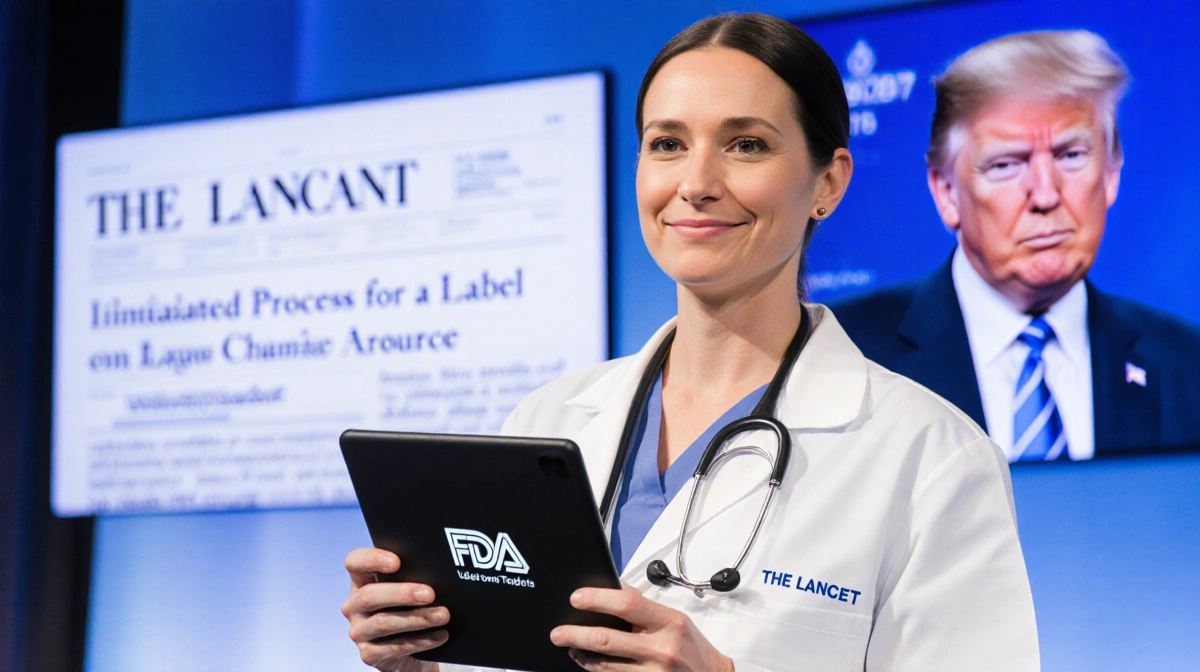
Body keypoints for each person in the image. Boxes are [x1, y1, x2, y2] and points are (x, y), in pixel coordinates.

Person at [342, 13, 1039, 671]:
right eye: (667, 144)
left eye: (747, 145)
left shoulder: (931, 456)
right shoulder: (547, 420)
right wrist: (425, 659)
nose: (696, 184)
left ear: (828, 182)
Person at [830, 30, 1200, 462]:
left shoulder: (1186, 366)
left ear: (1112, 173)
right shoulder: (843, 357)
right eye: (1006, 164)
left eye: (1071, 155)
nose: (1045, 195)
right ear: (946, 192)